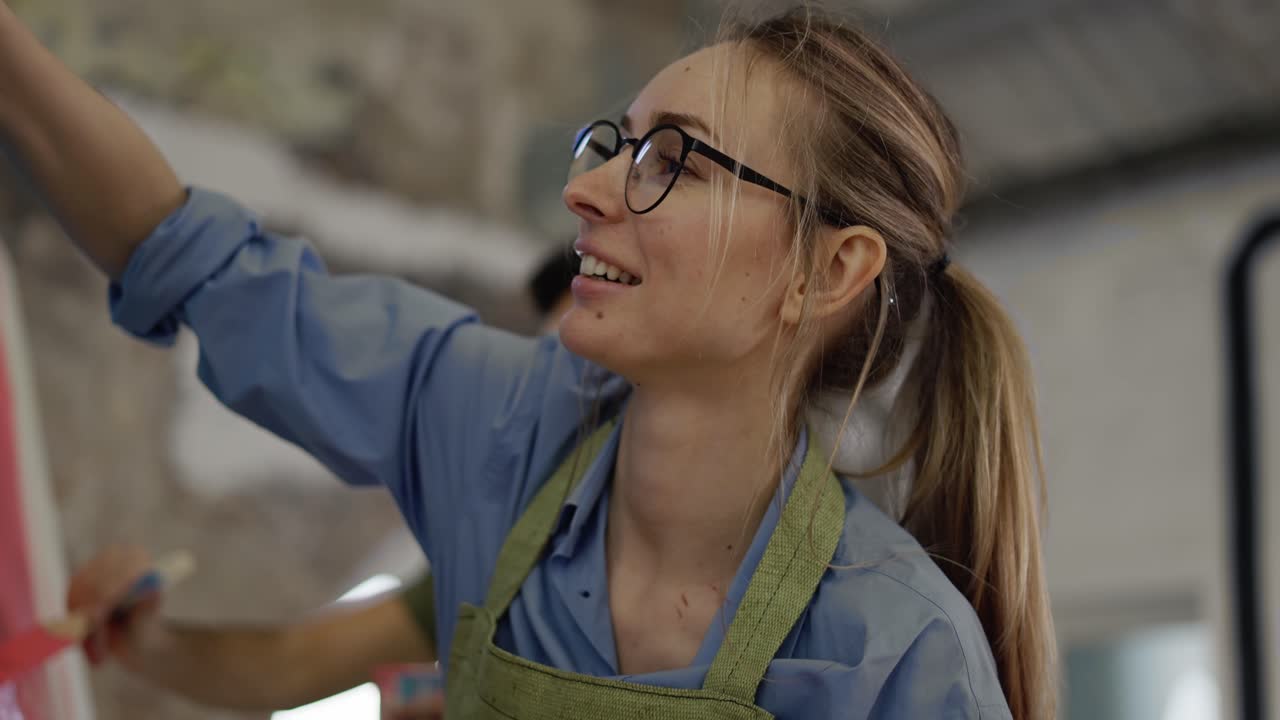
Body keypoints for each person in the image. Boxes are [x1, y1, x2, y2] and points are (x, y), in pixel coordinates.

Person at [0, 4, 1056, 718]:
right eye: (613, 144)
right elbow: (189, 258)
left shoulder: (894, 654)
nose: (584, 192)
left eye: (672, 162)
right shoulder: (502, 433)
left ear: (827, 271)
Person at [64, 248, 579, 720]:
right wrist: (149, 642)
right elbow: (293, 667)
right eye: (541, 357)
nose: (539, 391)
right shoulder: (508, 554)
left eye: (569, 369)